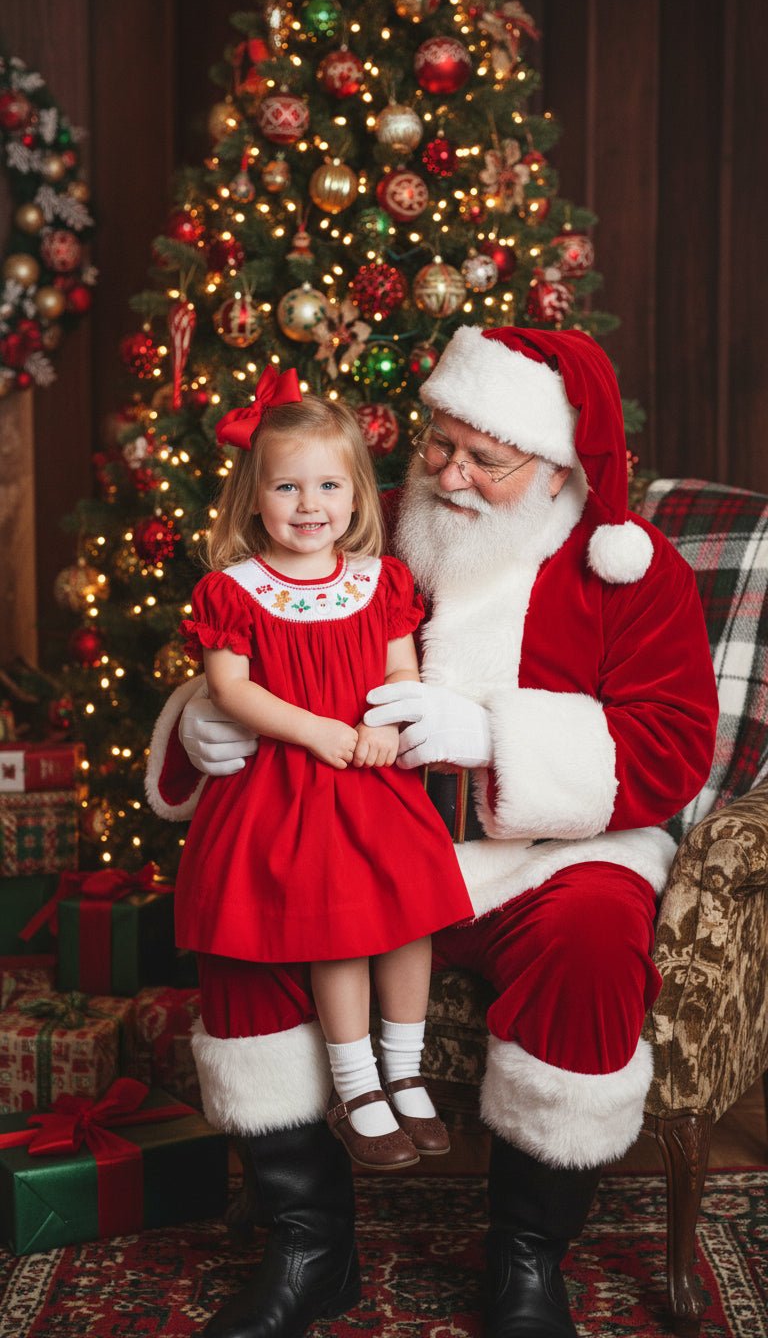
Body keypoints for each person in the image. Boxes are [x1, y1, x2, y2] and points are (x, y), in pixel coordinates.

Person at [147, 328, 719, 1338]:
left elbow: (672, 749)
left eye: (481, 458)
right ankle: (310, 1250)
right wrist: (201, 721)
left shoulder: (631, 572)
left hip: (542, 856)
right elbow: (267, 647)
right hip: (356, 836)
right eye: (438, 444)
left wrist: (496, 739)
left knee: (593, 937)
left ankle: (527, 1262)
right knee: (245, 939)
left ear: (553, 466)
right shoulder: (369, 529)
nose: (448, 475)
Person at [174, 364, 473, 1194]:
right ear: (255, 498)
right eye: (287, 487)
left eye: (329, 485)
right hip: (289, 785)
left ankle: (404, 1071)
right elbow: (231, 688)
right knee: (337, 927)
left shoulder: (379, 582)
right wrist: (319, 732)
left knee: (408, 916)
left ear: (356, 496)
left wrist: (381, 722)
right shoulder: (235, 590)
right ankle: (356, 1085)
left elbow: (401, 667)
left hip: (372, 780)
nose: (310, 505)